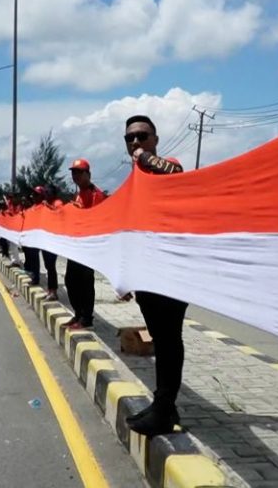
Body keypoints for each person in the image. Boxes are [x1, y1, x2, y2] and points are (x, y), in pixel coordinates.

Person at [119, 115, 187, 437]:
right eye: (129, 138)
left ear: (155, 139)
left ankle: (164, 408)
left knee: (170, 337)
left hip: (172, 269)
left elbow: (177, 175)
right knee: (160, 337)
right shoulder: (134, 183)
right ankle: (164, 404)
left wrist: (143, 159)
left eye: (142, 136)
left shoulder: (166, 166)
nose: (135, 142)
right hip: (146, 271)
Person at [64, 159, 106, 330]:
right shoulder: (78, 194)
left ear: (88, 174)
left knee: (85, 283)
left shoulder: (96, 195)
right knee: (70, 280)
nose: (75, 176)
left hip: (88, 246)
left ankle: (86, 318)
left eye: (79, 172)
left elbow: (95, 218)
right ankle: (78, 313)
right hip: (75, 245)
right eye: (73, 173)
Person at [41, 184, 64, 301]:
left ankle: (54, 291)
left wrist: (48, 208)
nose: (46, 194)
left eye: (48, 192)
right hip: (45, 239)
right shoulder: (45, 204)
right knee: (47, 266)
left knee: (51, 266)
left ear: (53, 194)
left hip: (53, 240)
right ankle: (50, 289)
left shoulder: (57, 203)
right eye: (45, 192)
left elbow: (59, 215)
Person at [23, 187, 44, 285]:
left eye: (36, 195)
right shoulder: (32, 208)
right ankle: (34, 275)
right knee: (32, 256)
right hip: (31, 236)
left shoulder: (44, 207)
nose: (34, 197)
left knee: (36, 257)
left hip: (40, 236)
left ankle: (36, 278)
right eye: (33, 195)